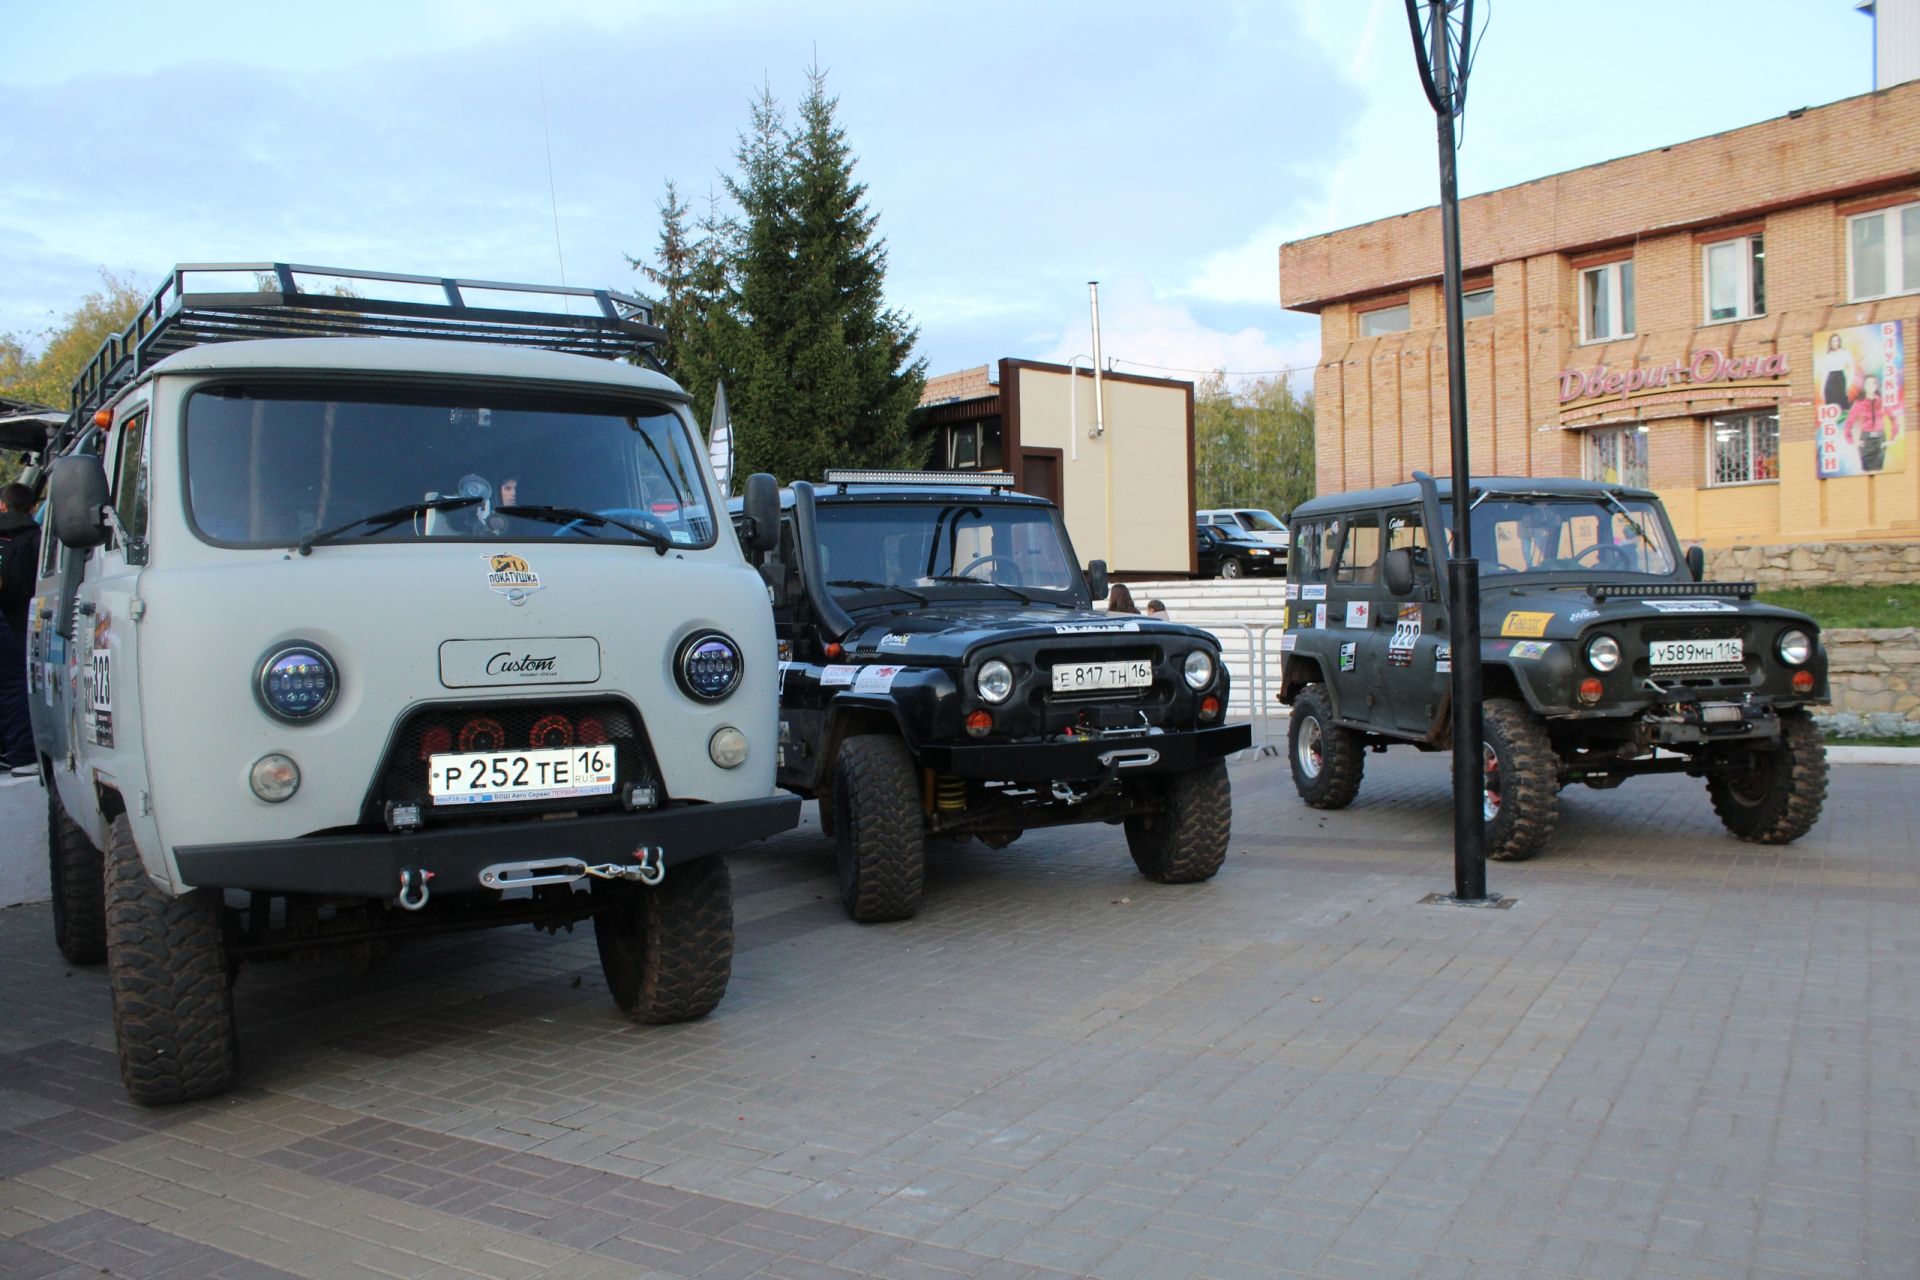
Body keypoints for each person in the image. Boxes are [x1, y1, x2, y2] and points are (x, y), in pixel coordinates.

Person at [0, 482, 41, 774]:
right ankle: (23, 756)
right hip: (23, 620)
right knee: (16, 683)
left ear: (3, 505)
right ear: (32, 508)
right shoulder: (36, 535)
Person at [1846, 374, 1890, 473]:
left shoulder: (1882, 401)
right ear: (1864, 386)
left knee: (1879, 471)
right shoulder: (1858, 403)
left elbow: (1894, 418)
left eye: (1873, 383)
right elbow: (1848, 424)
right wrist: (1852, 442)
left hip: (1880, 439)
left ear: (1876, 386)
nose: (1870, 386)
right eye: (1867, 384)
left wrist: (1891, 439)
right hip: (1866, 441)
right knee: (1867, 472)